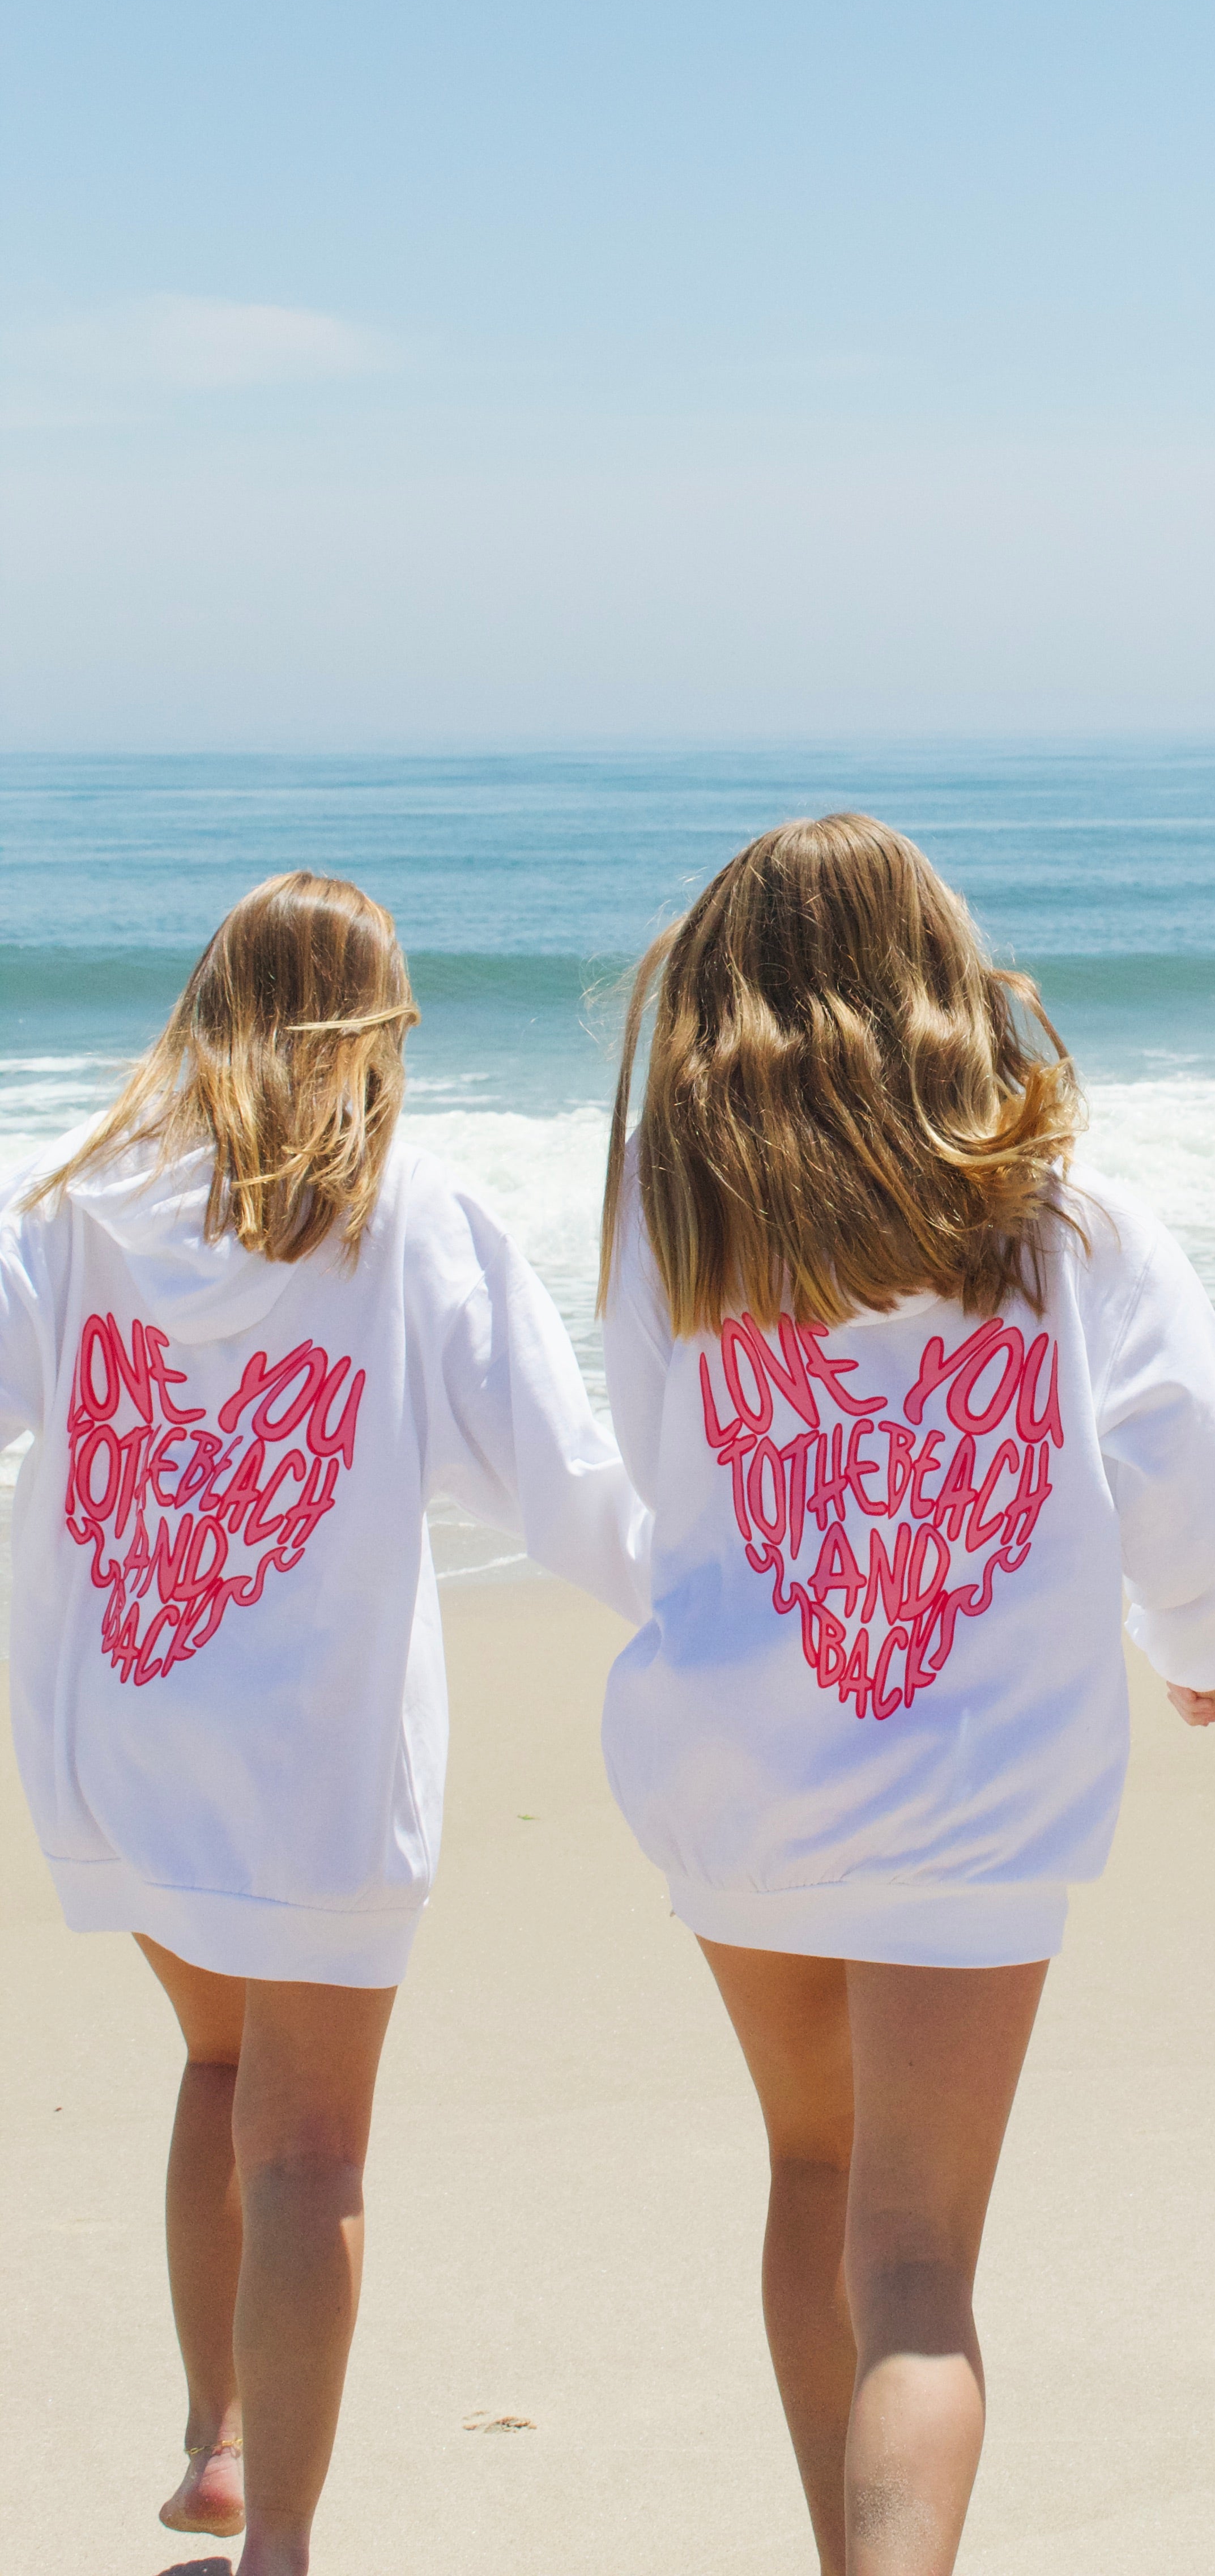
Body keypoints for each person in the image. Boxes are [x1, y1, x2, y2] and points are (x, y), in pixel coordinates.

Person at [596, 811, 1215, 2576]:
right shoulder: (1066, 1221)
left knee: (811, 2174)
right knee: (915, 2264)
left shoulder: (679, 1215)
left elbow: (652, 1466)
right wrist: (1213, 1650)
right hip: (979, 1790)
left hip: (740, 1769)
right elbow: (1191, 1482)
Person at [0, 871, 649, 2576]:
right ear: (376, 1035)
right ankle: (278, 2543)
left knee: (220, 2067)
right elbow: (563, 1481)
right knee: (308, 2143)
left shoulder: (73, 1204)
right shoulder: (410, 1215)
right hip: (326, 1761)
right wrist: (728, 1608)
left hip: (124, 1739)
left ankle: (220, 2440)